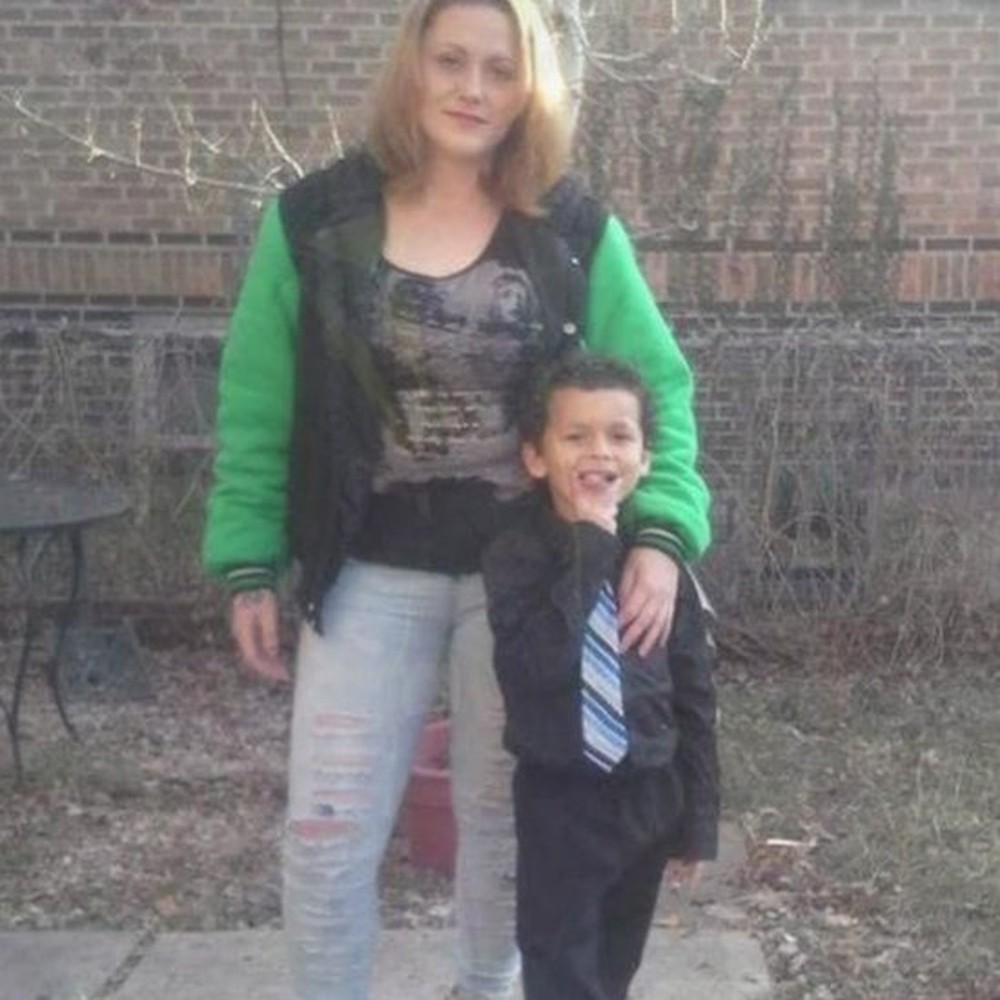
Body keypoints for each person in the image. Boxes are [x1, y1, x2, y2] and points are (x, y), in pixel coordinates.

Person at [202, 0, 711, 996]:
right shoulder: (313, 222)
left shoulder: (571, 229)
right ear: (413, 66)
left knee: (504, 828)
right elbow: (258, 401)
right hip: (368, 568)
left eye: (501, 68)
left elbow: (658, 391)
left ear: (530, 90)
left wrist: (660, 532)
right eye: (451, 61)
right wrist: (248, 558)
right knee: (324, 833)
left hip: (526, 575)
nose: (473, 89)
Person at [481, 353, 719, 1000]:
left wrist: (698, 823)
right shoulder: (517, 556)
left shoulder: (658, 570)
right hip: (561, 802)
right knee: (560, 971)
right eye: (576, 435)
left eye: (619, 435)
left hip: (650, 795)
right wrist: (589, 544)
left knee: (615, 969)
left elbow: (695, 699)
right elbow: (534, 666)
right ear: (536, 457)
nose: (600, 451)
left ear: (645, 458)